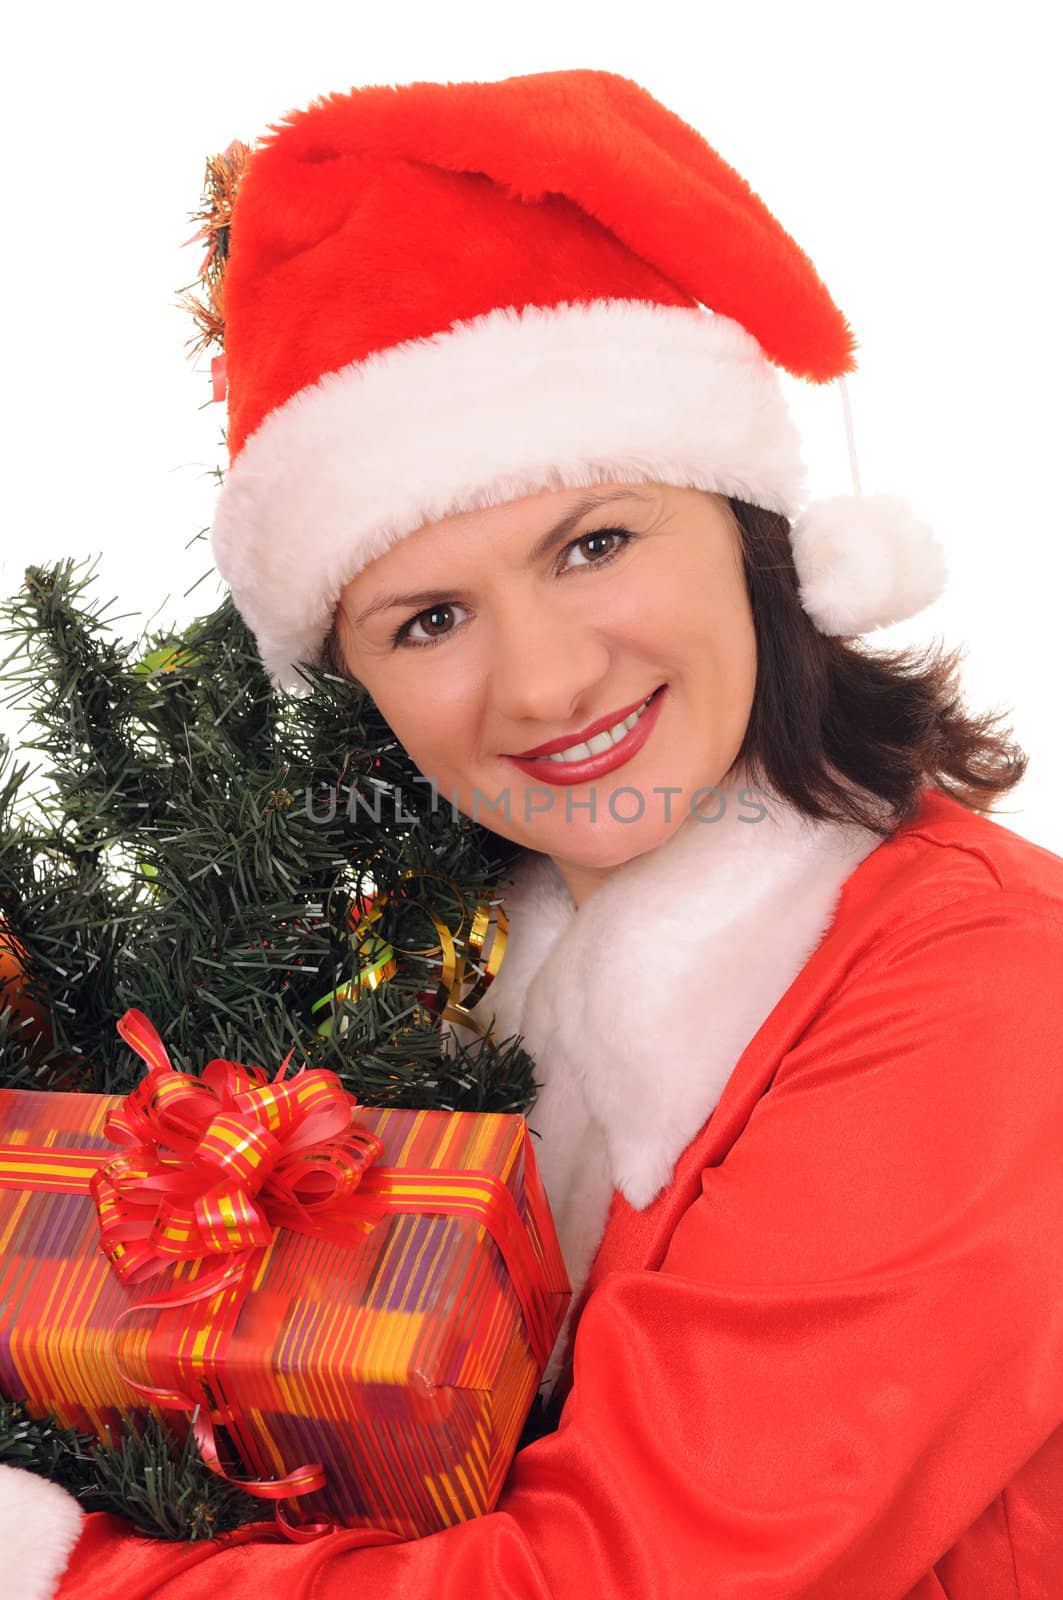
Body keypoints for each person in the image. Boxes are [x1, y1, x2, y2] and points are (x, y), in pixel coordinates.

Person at [4, 65, 1062, 1600]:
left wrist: (56, 1570)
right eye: (429, 618)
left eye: (596, 543)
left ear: (751, 535)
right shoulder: (418, 987)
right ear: (356, 681)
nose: (548, 681)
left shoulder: (983, 995)